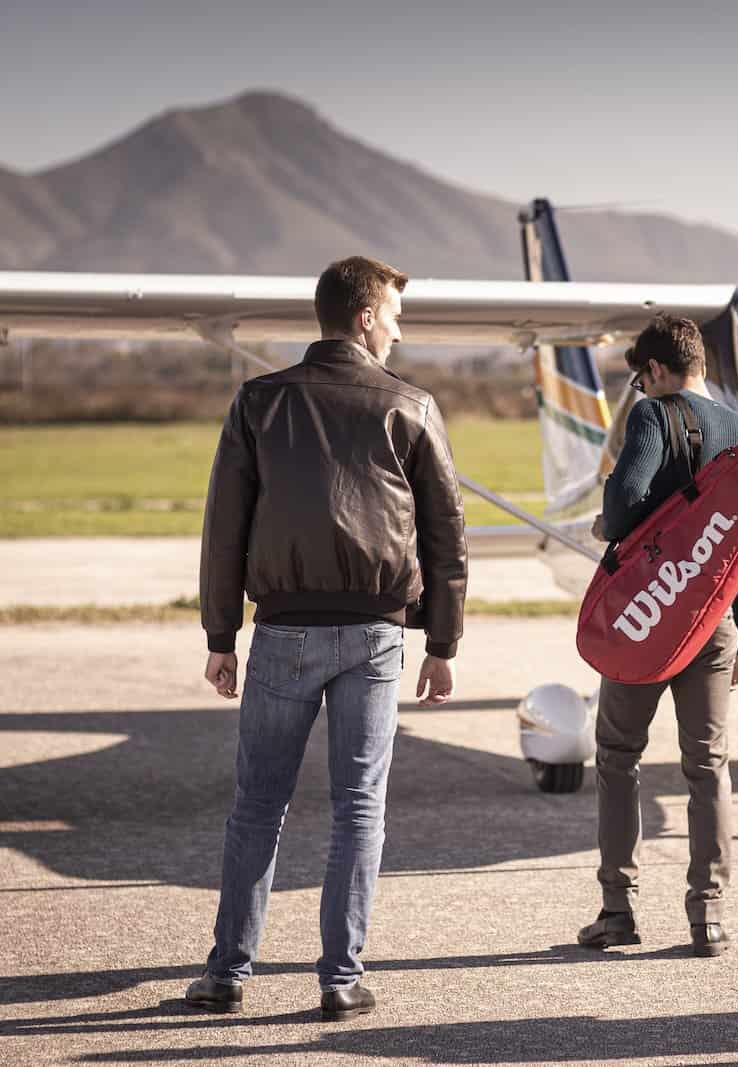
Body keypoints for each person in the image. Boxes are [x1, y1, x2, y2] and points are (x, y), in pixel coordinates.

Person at [186, 256, 467, 1019]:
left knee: (257, 805)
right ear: (367, 317)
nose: (399, 333)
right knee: (358, 808)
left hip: (282, 632)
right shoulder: (412, 404)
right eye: (395, 318)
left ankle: (226, 973)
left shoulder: (259, 401)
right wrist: (442, 644)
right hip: (375, 637)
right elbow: (447, 535)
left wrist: (221, 633)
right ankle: (341, 980)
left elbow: (224, 527)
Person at [576, 313, 738, 958]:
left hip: (647, 615)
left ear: (656, 370)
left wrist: (611, 523)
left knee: (617, 755)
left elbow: (625, 499)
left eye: (641, 378)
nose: (642, 388)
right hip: (712, 622)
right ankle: (707, 917)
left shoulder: (654, 415)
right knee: (708, 766)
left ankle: (617, 910)